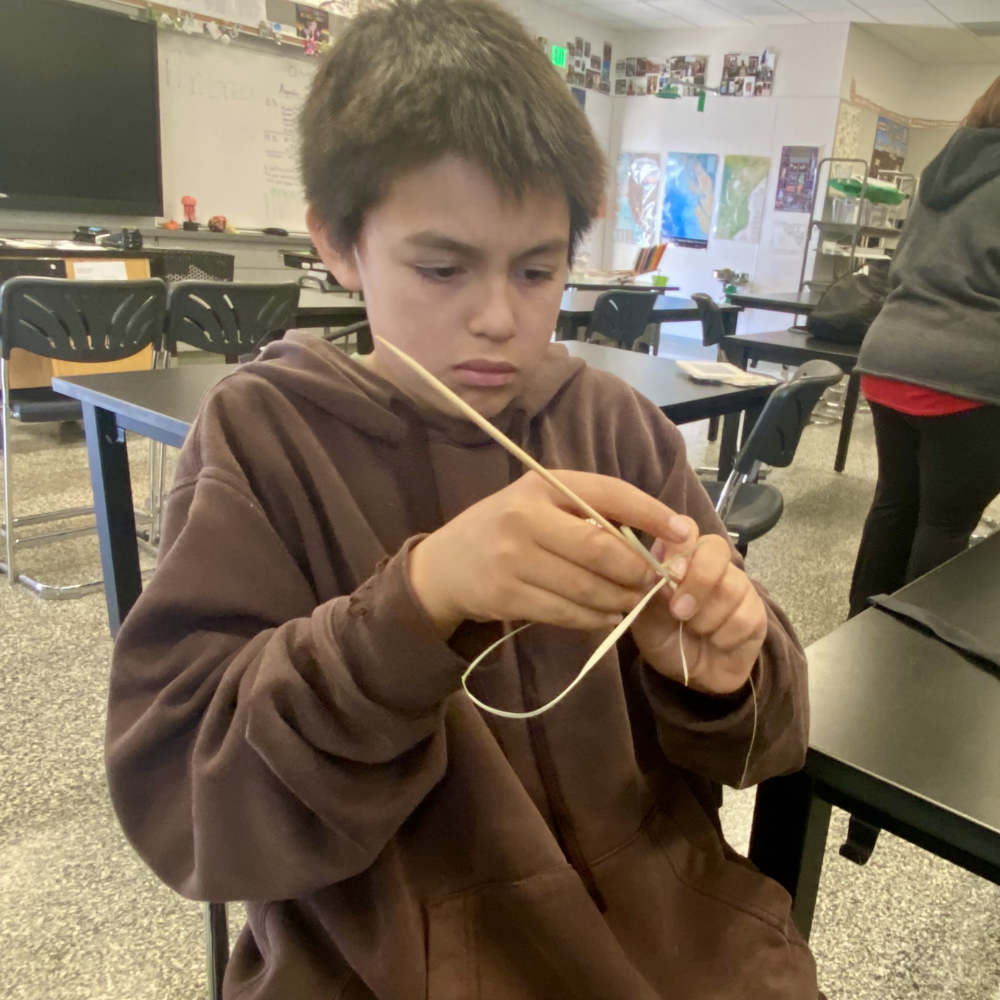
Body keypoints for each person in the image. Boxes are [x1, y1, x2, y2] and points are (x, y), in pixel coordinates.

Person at [106, 2, 818, 996]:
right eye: (441, 267)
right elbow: (186, 805)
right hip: (385, 957)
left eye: (538, 270)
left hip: (664, 934)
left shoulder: (614, 428)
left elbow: (768, 734)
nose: (497, 317)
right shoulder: (266, 443)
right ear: (339, 244)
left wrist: (724, 664)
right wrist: (420, 603)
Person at [848, 75, 1000, 620]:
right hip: (969, 373)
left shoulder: (943, 168)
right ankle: (913, 655)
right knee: (944, 523)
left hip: (890, 356)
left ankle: (859, 631)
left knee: (894, 503)